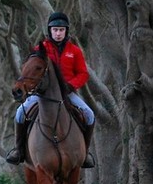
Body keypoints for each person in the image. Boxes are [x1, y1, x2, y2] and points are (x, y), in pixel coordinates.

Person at [6, 11, 96, 168]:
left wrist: (71, 85)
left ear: (66, 31)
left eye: (61, 30)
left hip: (67, 94)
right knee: (20, 113)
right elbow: (30, 69)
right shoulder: (42, 49)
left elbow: (83, 73)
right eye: (55, 30)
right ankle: (18, 150)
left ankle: (85, 153)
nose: (58, 33)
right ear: (50, 31)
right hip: (42, 94)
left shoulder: (74, 51)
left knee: (89, 115)